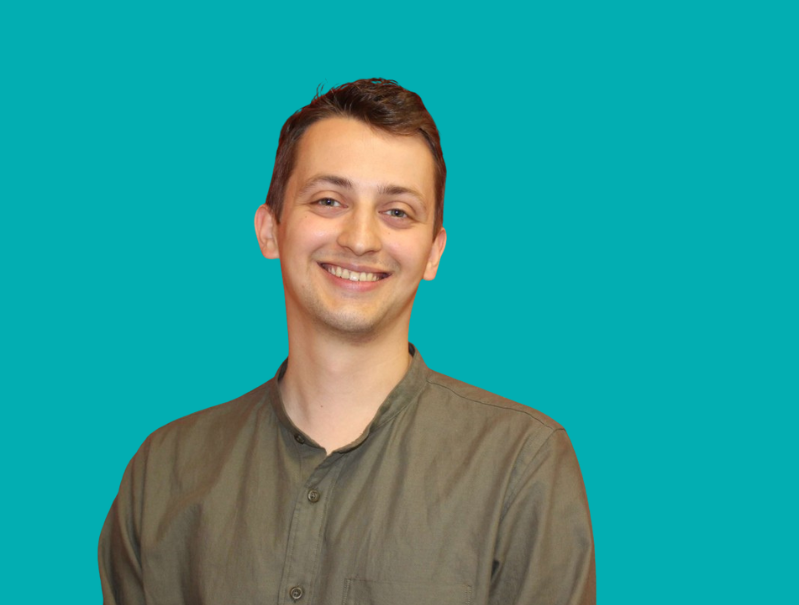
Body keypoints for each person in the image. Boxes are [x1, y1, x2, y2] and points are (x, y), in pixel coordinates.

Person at [99, 78, 596, 605]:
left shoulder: (521, 465)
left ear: (433, 252)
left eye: (397, 211)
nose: (360, 239)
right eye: (329, 200)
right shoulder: (162, 472)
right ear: (270, 230)